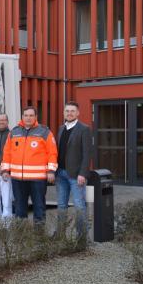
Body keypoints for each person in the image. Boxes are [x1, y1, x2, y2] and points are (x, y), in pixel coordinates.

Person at [2, 106, 58, 232]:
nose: (28, 118)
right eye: (26, 115)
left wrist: (51, 171)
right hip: (18, 179)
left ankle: (39, 235)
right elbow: (7, 153)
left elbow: (52, 153)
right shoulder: (14, 132)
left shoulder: (45, 132)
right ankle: (21, 235)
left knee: (39, 206)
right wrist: (5, 170)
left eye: (31, 115)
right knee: (20, 208)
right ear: (22, 117)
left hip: (37, 179)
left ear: (35, 117)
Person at [55, 101, 93, 245]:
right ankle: (60, 235)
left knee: (79, 205)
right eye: (67, 111)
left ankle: (81, 238)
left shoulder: (84, 129)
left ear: (77, 113)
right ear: (64, 113)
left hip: (76, 175)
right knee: (61, 205)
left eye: (72, 111)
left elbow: (87, 153)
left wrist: (83, 173)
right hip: (61, 174)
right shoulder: (60, 129)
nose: (69, 113)